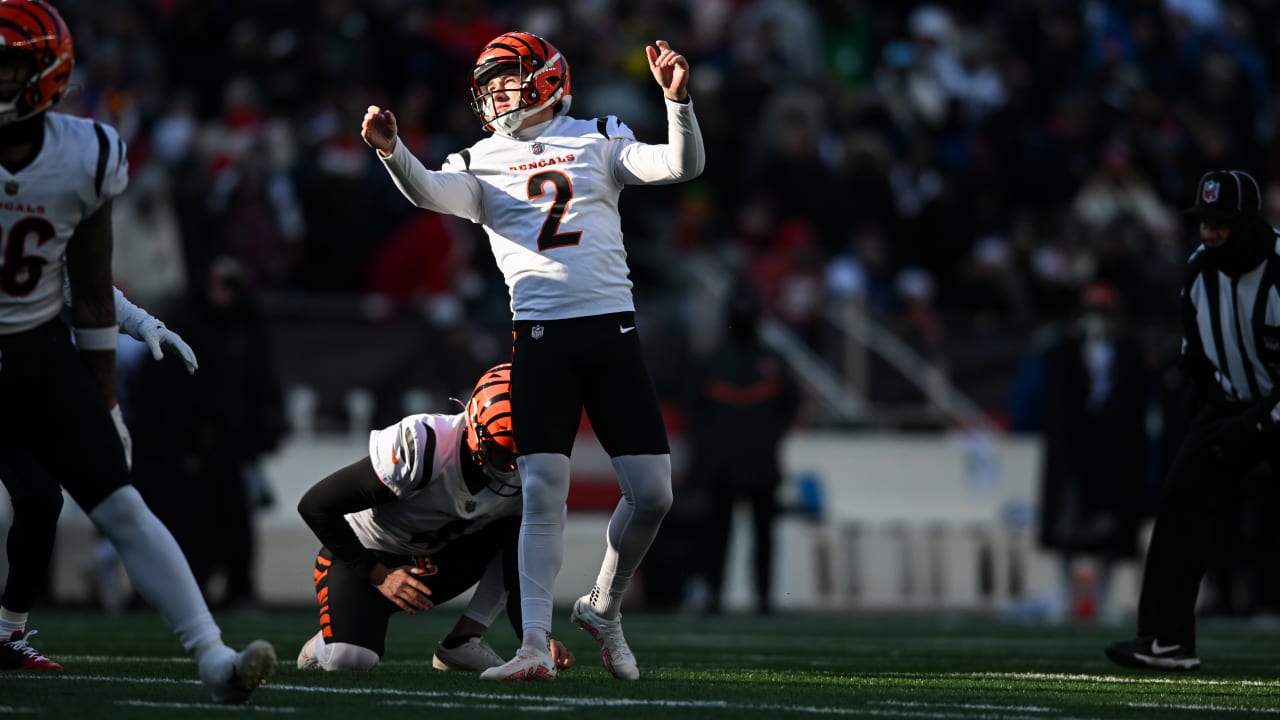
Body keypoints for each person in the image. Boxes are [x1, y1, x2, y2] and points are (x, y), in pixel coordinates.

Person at [361, 32, 704, 680]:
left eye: (506, 79)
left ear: (547, 79)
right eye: (487, 84)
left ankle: (603, 602)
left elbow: (679, 167)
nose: (493, 94)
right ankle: (533, 646)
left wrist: (678, 105)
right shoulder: (483, 159)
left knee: (653, 494)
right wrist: (392, 152)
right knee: (545, 491)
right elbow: (431, 193)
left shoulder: (597, 135)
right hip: (542, 339)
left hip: (612, 334)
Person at [0, 0, 275, 700]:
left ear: (44, 75)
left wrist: (107, 402)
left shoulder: (84, 154)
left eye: (6, 66)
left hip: (36, 352)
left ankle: (213, 656)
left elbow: (89, 292)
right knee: (34, 498)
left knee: (121, 505)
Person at [1106, 169, 1280, 671]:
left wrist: (1260, 424)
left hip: (1273, 407)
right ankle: (1166, 639)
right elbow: (1196, 352)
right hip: (1231, 405)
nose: (1210, 231)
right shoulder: (1199, 271)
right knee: (1182, 499)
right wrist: (1208, 409)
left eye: (1221, 221)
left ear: (1249, 221)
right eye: (1203, 220)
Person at [294, 363, 574, 673]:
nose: (513, 465)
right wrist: (377, 574)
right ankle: (323, 644)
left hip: (437, 562)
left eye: (523, 452)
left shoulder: (535, 470)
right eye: (503, 452)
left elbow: (527, 560)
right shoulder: (425, 446)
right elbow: (316, 505)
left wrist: (534, 638)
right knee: (350, 659)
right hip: (367, 555)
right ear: (477, 431)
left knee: (534, 527)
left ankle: (464, 640)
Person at [1, 283, 199, 670]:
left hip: (31, 390)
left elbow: (88, 289)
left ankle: (8, 634)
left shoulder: (48, 239)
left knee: (47, 498)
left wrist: (145, 323)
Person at [1036, 282, 1150, 623]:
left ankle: (1103, 597)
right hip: (1074, 449)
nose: (1096, 321)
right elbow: (1057, 389)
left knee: (1112, 530)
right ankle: (1064, 595)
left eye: (1102, 313)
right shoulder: (1064, 350)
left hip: (1113, 452)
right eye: (1090, 313)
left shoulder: (1128, 352)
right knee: (1066, 526)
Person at [684, 280, 799, 615]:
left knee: (762, 535)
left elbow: (789, 407)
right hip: (723, 465)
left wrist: (766, 439)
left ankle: (763, 598)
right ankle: (714, 596)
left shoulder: (770, 362)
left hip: (760, 463)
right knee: (717, 535)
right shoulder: (712, 361)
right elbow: (695, 413)